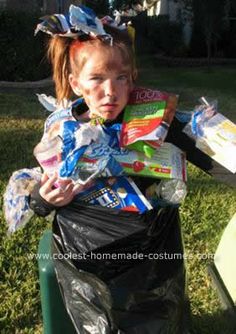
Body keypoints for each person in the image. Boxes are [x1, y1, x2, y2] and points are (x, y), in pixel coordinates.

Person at [30, 5, 235, 334]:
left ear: (132, 78)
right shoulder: (63, 129)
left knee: (160, 320)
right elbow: (38, 194)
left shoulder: (153, 120)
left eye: (120, 78)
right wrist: (44, 199)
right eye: (96, 79)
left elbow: (209, 158)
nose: (110, 91)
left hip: (152, 254)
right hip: (89, 256)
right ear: (75, 82)